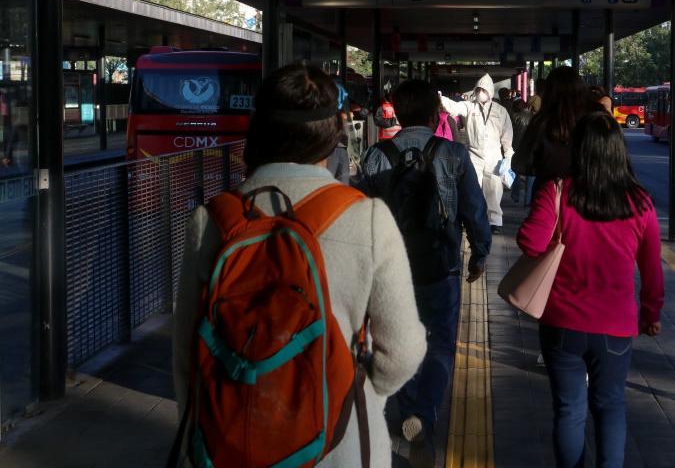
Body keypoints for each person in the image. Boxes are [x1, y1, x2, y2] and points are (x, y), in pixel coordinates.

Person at [173, 64, 426, 467]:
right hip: (341, 445)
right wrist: (355, 389)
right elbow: (404, 351)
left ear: (260, 129)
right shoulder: (369, 219)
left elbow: (187, 351)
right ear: (333, 136)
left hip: (232, 445)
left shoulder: (213, 220)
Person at [517, 112, 663, 468]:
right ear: (618, 151)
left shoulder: (557, 191)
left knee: (569, 410)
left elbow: (530, 243)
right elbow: (652, 267)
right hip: (616, 326)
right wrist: (651, 312)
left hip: (562, 322)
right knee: (611, 407)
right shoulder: (640, 201)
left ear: (577, 150)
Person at [360, 79, 491, 448]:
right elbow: (474, 210)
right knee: (441, 342)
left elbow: (363, 212)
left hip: (390, 269)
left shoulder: (376, 156)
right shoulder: (453, 154)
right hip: (441, 264)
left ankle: (404, 405)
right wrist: (479, 254)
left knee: (393, 339)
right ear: (435, 115)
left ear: (398, 112)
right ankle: (425, 409)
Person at [440, 74, 514, 234]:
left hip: (494, 157)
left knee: (494, 189)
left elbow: (507, 134)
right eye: (478, 89)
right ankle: (475, 218)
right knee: (474, 189)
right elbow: (454, 106)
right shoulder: (469, 106)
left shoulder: (500, 111)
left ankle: (495, 222)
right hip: (474, 155)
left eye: (483, 89)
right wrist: (442, 99)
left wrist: (508, 154)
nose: (480, 92)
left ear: (489, 91)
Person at [512, 67, 600, 199]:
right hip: (589, 194)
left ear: (549, 92)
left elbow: (521, 164)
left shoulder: (542, 122)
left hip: (550, 196)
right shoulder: (598, 117)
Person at [509, 99, 534, 204]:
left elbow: (509, 132)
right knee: (531, 173)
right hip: (530, 147)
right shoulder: (533, 117)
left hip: (516, 147)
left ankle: (515, 195)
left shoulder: (514, 116)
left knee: (515, 171)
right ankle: (528, 199)